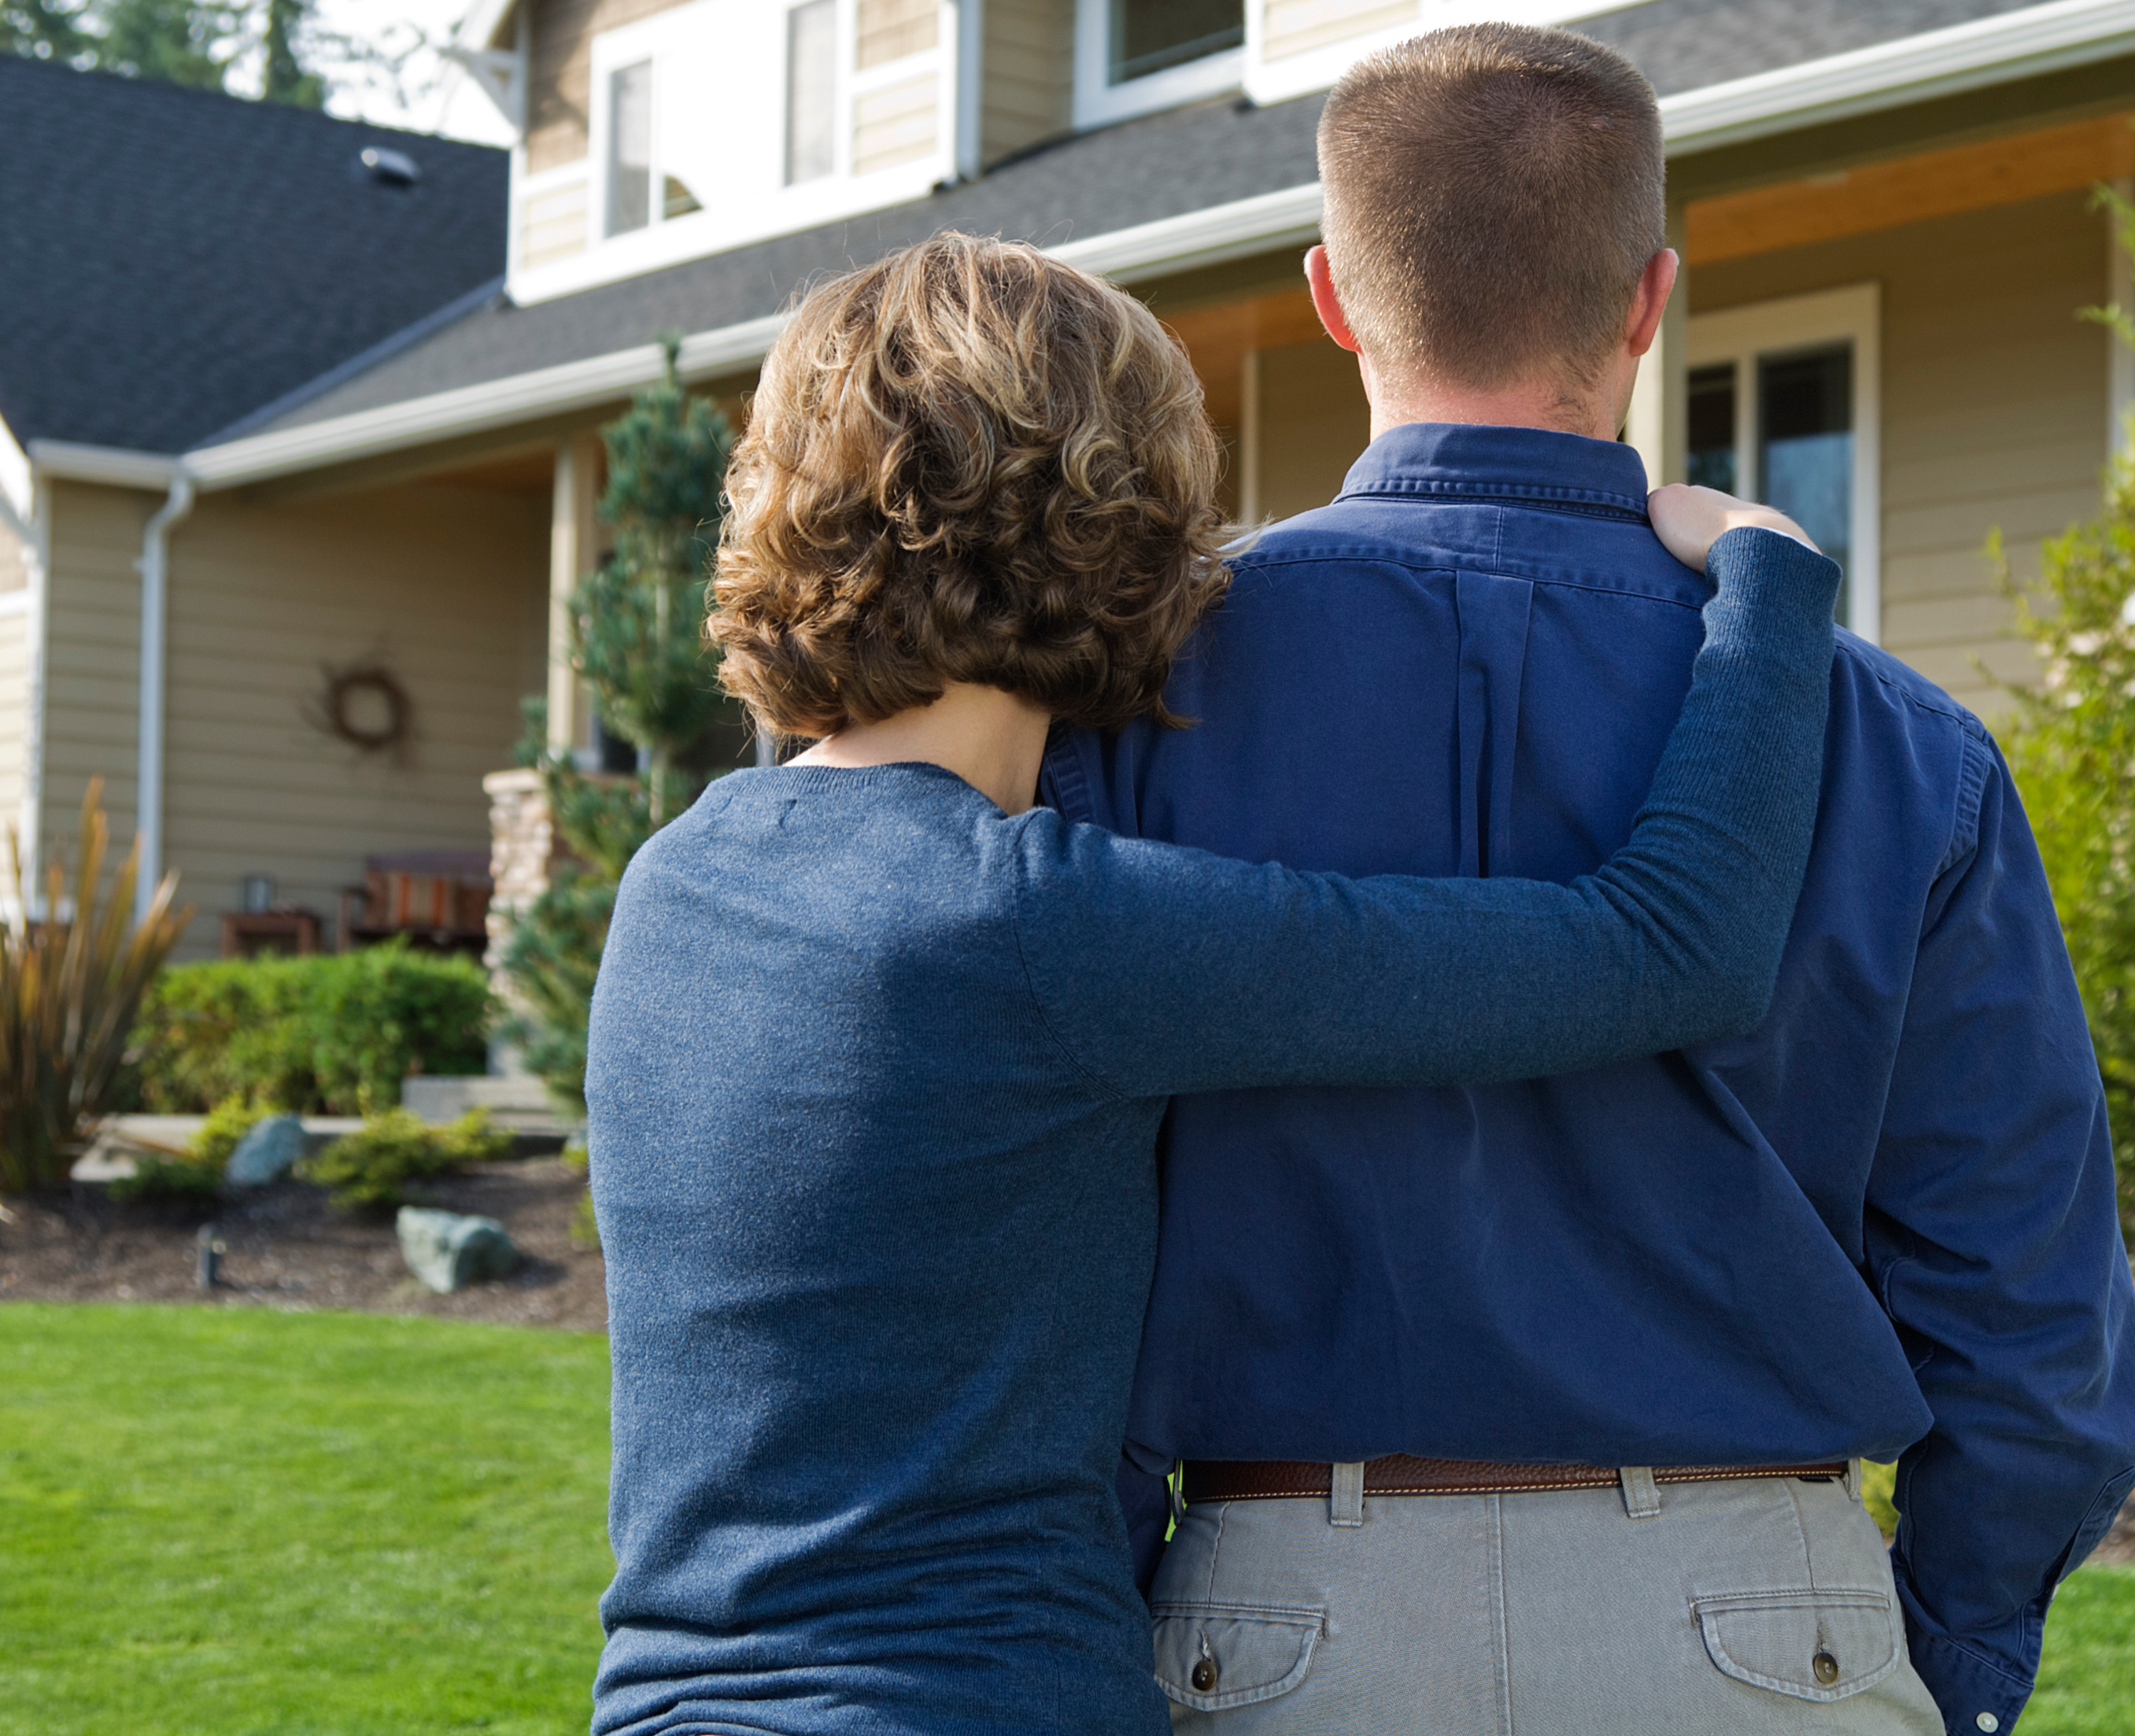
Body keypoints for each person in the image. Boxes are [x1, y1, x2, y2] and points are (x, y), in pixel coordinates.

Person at [1046, 22, 2135, 1736]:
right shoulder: (1898, 742)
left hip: (1273, 1625)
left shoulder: (1130, 703)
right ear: (1649, 299)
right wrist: (1941, 1657)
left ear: (1335, 296)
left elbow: (1038, 1245)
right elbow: (2031, 1324)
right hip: (1762, 1624)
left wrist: (1137, 1595)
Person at [588, 232, 1845, 1736]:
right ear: (1119, 526)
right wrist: (1771, 579)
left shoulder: (674, 887)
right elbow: (1671, 946)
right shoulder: (1033, 928)